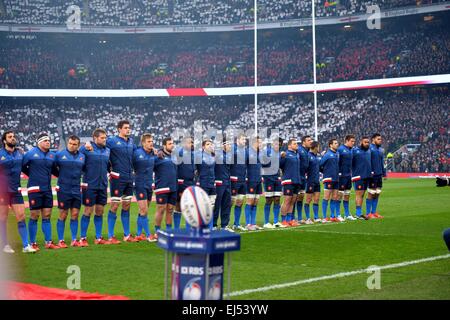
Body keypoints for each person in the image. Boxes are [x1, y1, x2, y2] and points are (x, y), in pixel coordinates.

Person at [0, 130, 36, 253]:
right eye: (10, 137)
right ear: (4, 140)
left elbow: (26, 168)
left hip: (16, 190)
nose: (13, 138)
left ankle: (26, 246)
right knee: (2, 218)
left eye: (14, 136)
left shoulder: (20, 154)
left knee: (21, 216)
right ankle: (4, 245)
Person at [22, 132, 59, 250]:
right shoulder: (30, 154)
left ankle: (48, 242)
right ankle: (32, 243)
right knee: (34, 215)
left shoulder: (52, 155)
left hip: (47, 189)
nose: (48, 142)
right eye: (45, 140)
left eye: (49, 140)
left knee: (47, 215)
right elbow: (23, 167)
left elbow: (55, 171)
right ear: (39, 142)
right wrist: (32, 175)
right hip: (34, 189)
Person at [105, 120, 138, 242]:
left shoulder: (131, 142)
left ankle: (127, 235)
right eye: (125, 128)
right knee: (114, 205)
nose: (128, 130)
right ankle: (110, 235)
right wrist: (109, 171)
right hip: (117, 178)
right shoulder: (111, 141)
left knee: (127, 205)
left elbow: (138, 152)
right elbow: (101, 150)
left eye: (129, 128)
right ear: (119, 129)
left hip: (129, 178)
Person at [79, 128, 112, 245]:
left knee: (100, 211)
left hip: (102, 185)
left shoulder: (107, 150)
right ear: (95, 138)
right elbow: (79, 161)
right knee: (88, 211)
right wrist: (85, 144)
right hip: (89, 185)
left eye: (105, 138)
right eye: (102, 138)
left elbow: (109, 166)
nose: (105, 140)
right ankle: (82, 238)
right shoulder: (86, 149)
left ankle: (98, 238)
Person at [54, 135, 85, 248]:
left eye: (74, 144)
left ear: (78, 145)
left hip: (76, 189)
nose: (72, 146)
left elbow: (84, 169)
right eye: (70, 143)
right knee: (63, 214)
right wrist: (61, 177)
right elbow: (53, 168)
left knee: (75, 214)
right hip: (63, 189)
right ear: (67, 143)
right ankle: (61, 240)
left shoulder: (82, 157)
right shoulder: (59, 155)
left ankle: (74, 240)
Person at [133, 133, 157, 242]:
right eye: (149, 141)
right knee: (144, 209)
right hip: (139, 184)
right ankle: (148, 235)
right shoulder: (136, 152)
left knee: (143, 210)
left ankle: (138, 234)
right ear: (143, 143)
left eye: (152, 141)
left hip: (149, 184)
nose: (151, 143)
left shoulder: (154, 153)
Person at [153, 137, 177, 237]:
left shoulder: (175, 156)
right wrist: (158, 151)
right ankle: (157, 232)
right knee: (161, 209)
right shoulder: (158, 156)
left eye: (173, 143)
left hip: (173, 187)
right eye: (170, 143)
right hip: (162, 187)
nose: (172, 145)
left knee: (170, 209)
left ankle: (168, 231)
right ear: (164, 146)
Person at [173, 136, 195, 229]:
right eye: (190, 142)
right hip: (181, 183)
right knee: (178, 206)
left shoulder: (193, 154)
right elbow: (176, 169)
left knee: (189, 206)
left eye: (192, 142)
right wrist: (179, 185)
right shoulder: (179, 153)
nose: (192, 144)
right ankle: (177, 228)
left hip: (190, 183)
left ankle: (188, 229)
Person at [279, 138, 301, 227]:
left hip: (296, 181)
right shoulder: (286, 154)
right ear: (289, 146)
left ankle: (289, 220)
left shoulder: (296, 155)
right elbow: (280, 165)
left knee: (293, 201)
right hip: (288, 181)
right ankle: (283, 220)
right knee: (287, 201)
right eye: (294, 144)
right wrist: (281, 157)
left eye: (297, 144)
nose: (297, 145)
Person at [195, 139, 216, 229]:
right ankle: (201, 227)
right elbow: (195, 170)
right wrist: (197, 181)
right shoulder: (199, 156)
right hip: (203, 184)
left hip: (212, 184)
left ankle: (210, 228)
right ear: (203, 147)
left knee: (211, 207)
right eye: (208, 144)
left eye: (211, 144)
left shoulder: (213, 156)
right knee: (203, 207)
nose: (210, 145)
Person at [213, 139, 233, 232]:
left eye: (230, 144)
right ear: (222, 145)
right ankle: (213, 224)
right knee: (216, 204)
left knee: (226, 204)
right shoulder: (216, 154)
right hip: (219, 183)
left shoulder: (228, 155)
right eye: (228, 144)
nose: (230, 146)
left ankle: (224, 225)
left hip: (227, 182)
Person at [262, 137, 282, 228]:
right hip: (268, 178)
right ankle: (266, 222)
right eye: (275, 144)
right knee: (269, 200)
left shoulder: (280, 153)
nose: (277, 145)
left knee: (277, 199)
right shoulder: (267, 152)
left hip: (277, 178)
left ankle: (276, 221)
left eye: (278, 144)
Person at [319, 138, 340, 223]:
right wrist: (325, 173)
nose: (337, 144)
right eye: (335, 143)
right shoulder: (327, 155)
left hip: (336, 178)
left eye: (337, 143)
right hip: (328, 179)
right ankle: (324, 217)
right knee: (326, 197)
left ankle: (332, 216)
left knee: (335, 197)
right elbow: (320, 165)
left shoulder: (337, 154)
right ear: (330, 145)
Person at [245, 136, 263, 231]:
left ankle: (253, 223)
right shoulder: (248, 152)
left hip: (258, 180)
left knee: (256, 202)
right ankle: (248, 224)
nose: (261, 144)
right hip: (251, 180)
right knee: (250, 201)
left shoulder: (260, 153)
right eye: (259, 143)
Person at [337, 134, 357, 221]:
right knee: (339, 195)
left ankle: (347, 214)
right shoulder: (340, 149)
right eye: (352, 141)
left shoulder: (351, 150)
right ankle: (337, 214)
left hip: (349, 176)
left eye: (354, 141)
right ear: (347, 141)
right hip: (341, 176)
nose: (353, 143)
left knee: (347, 195)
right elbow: (336, 162)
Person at [351, 136, 372, 220]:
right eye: (365, 142)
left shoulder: (369, 151)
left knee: (362, 195)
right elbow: (350, 162)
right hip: (358, 176)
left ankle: (359, 213)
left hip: (367, 176)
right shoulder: (355, 151)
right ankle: (358, 214)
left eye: (368, 142)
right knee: (359, 194)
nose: (367, 144)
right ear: (361, 142)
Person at [231, 133, 248, 231]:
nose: (244, 141)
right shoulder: (232, 148)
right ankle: (226, 224)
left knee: (240, 202)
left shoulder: (245, 151)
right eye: (243, 139)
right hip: (233, 179)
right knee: (230, 202)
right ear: (237, 140)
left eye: (245, 140)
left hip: (242, 179)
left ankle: (236, 224)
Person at [368, 133, 386, 219]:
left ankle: (374, 212)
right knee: (371, 193)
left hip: (379, 175)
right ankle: (368, 213)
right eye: (378, 139)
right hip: (372, 175)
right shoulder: (369, 148)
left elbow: (382, 162)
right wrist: (370, 171)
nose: (380, 140)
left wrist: (384, 173)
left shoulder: (380, 150)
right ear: (373, 140)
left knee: (377, 193)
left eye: (380, 139)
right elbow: (367, 161)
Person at [295, 135, 312, 225]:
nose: (311, 142)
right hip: (297, 177)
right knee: (293, 198)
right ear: (303, 142)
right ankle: (291, 218)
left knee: (300, 198)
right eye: (308, 140)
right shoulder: (299, 150)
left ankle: (300, 218)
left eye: (311, 140)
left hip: (302, 177)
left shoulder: (307, 151)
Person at [304, 141, 321, 224]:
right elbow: (304, 168)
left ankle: (316, 217)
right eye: (318, 147)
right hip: (310, 181)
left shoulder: (317, 156)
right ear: (315, 147)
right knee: (308, 199)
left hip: (317, 181)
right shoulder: (308, 156)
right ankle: (307, 218)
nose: (319, 148)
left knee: (317, 199)